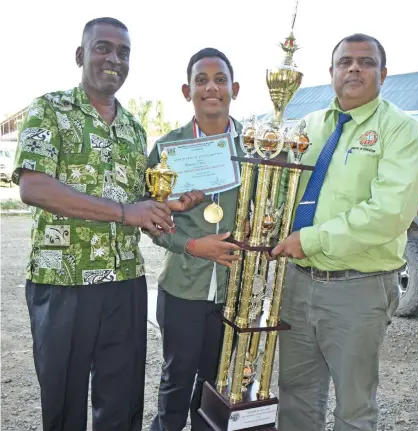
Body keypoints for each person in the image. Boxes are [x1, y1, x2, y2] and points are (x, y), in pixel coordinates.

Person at [12, 17, 202, 431]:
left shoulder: (134, 130)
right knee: (64, 400)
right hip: (63, 281)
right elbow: (34, 187)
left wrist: (165, 207)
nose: (114, 59)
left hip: (124, 282)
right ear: (81, 55)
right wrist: (124, 213)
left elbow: (137, 203)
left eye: (123, 53)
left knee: (122, 398)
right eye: (103, 48)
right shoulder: (51, 109)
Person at [270, 33, 418, 431]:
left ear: (384, 73)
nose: (354, 69)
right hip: (298, 281)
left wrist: (308, 240)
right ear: (331, 73)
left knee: (354, 404)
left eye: (366, 62)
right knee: (296, 395)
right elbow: (280, 189)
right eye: (345, 62)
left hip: (357, 289)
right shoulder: (307, 127)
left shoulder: (401, 131)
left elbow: (388, 213)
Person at [148, 47, 244, 431]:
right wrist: (190, 245)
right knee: (176, 380)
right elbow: (150, 220)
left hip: (231, 289)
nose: (211, 88)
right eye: (201, 80)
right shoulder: (167, 149)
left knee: (214, 385)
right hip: (182, 287)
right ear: (187, 91)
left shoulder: (254, 148)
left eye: (220, 80)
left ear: (234, 88)